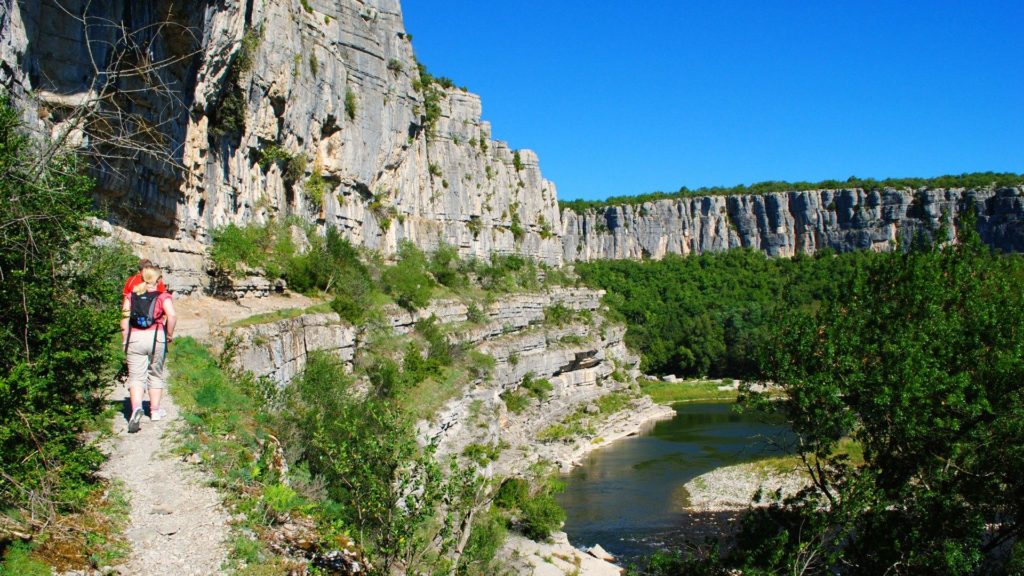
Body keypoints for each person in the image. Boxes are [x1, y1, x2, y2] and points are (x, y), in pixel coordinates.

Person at [121, 265, 176, 433]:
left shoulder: (131, 296)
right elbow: (172, 315)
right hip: (156, 338)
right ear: (158, 280)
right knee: (155, 373)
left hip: (135, 338)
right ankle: (155, 411)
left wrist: (125, 340)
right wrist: (169, 334)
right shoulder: (163, 296)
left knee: (136, 377)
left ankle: (137, 407)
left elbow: (124, 319)